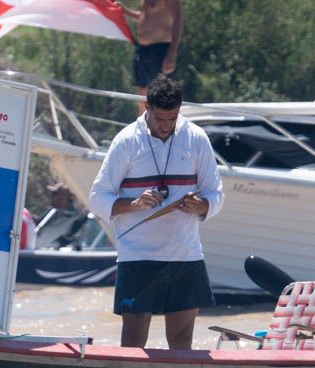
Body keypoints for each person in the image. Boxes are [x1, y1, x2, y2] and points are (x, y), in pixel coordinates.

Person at [88, 74, 223, 349]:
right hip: (137, 256)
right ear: (146, 109)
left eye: (172, 119)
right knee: (134, 343)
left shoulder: (195, 137)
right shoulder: (127, 141)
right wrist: (134, 204)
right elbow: (97, 198)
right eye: (160, 119)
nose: (166, 126)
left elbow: (216, 193)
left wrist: (202, 205)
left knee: (182, 341)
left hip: (185, 254)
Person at [118, 0, 182, 110]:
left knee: (160, 96)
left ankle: (163, 126)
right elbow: (146, 16)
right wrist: (126, 11)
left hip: (159, 50)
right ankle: (143, 126)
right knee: (141, 95)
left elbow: (178, 19)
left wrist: (172, 53)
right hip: (142, 50)